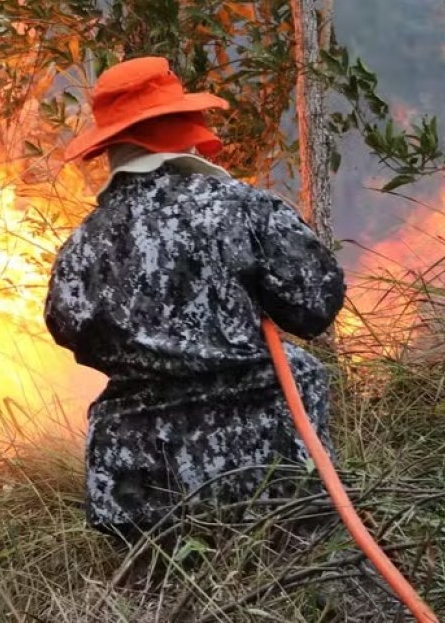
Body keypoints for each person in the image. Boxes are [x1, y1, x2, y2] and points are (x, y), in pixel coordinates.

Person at [43, 56, 346, 542]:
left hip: (136, 489)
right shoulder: (243, 208)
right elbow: (315, 305)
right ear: (184, 128)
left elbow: (70, 327)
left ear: (112, 146)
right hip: (272, 476)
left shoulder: (83, 244)